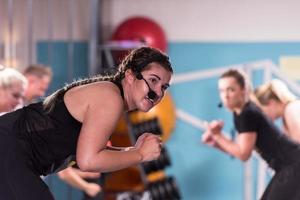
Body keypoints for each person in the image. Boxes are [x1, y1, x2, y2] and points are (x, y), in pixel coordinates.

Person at [0, 46, 172, 200]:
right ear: (130, 76)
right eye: (153, 80)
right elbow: (88, 161)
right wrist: (140, 154)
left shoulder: (111, 95)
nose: (157, 93)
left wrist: (132, 151)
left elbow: (93, 150)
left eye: (164, 87)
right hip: (9, 149)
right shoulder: (110, 98)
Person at [202, 69, 300, 200]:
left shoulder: (248, 113)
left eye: (231, 90)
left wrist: (218, 135)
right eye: (221, 91)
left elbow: (244, 154)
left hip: (292, 166)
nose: (226, 95)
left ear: (243, 90)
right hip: (287, 167)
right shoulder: (239, 114)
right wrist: (217, 141)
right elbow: (238, 149)